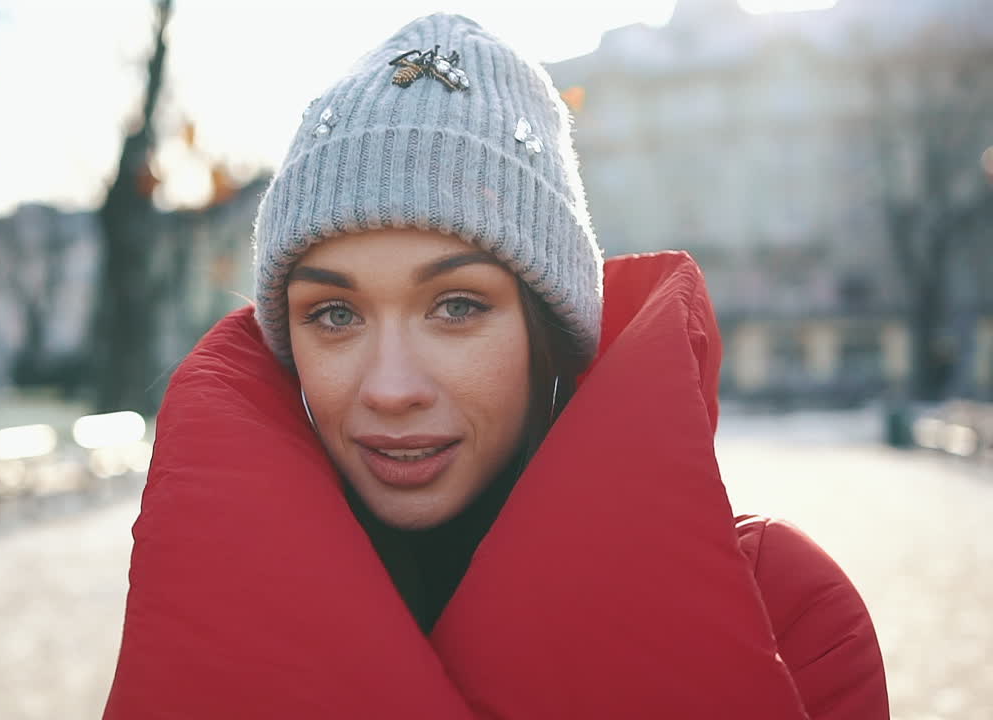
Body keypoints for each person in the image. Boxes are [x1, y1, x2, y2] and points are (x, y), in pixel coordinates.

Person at [103, 14, 888, 718]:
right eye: (334, 315)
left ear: (547, 329)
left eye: (457, 307)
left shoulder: (782, 612)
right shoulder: (218, 615)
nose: (391, 388)